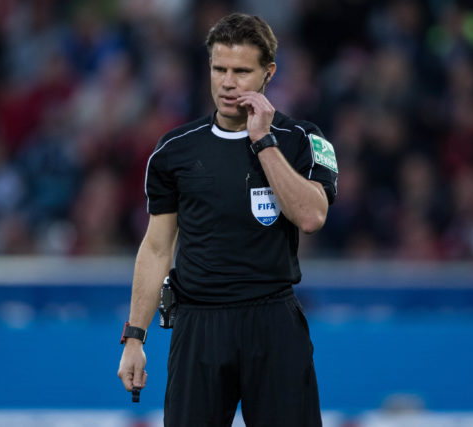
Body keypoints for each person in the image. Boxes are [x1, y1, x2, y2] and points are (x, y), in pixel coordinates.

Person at [118, 13, 338, 427]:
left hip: (273, 323)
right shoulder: (174, 152)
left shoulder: (303, 140)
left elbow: (312, 216)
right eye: (219, 69)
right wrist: (134, 337)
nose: (227, 82)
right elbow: (157, 247)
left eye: (241, 71)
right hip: (198, 325)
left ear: (268, 73)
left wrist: (263, 141)